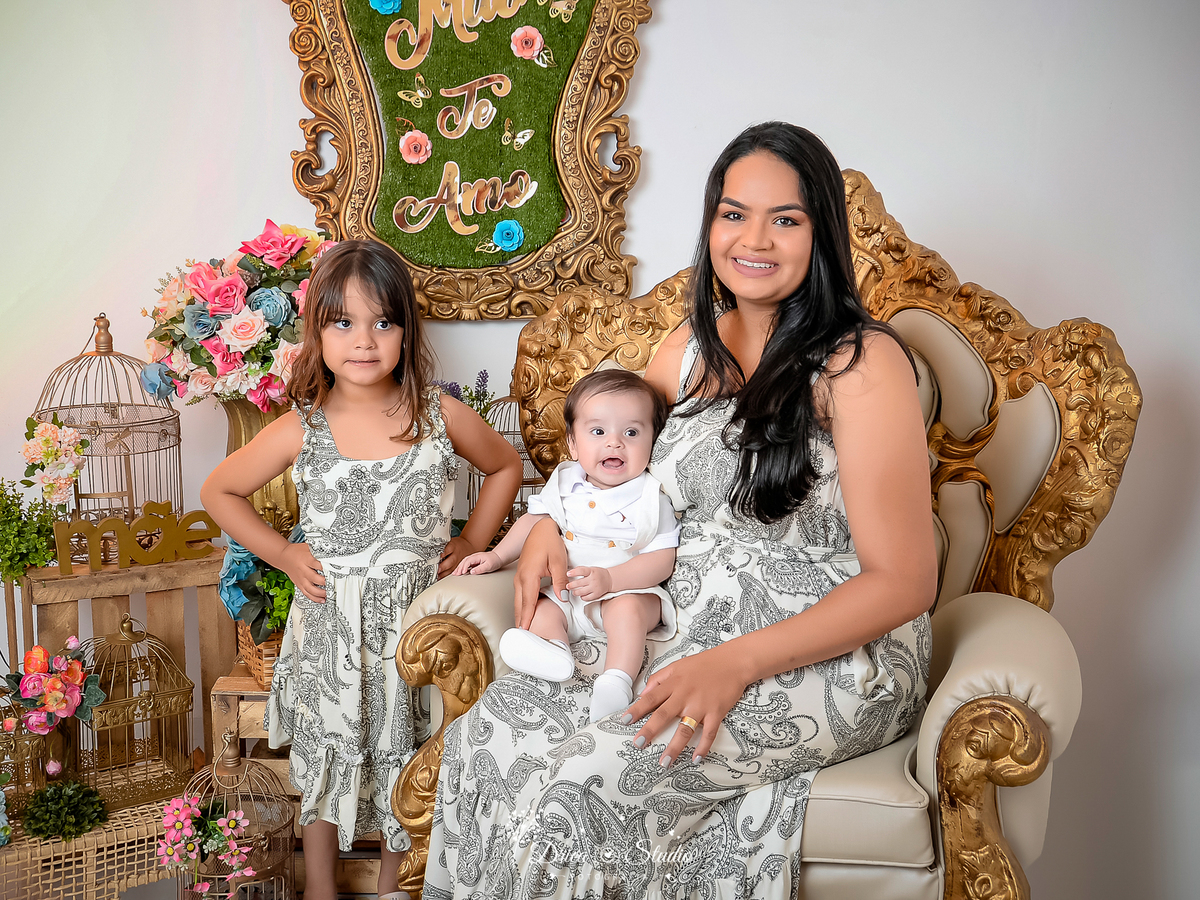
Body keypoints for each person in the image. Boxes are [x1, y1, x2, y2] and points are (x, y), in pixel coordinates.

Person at [423, 122, 937, 898]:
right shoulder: (687, 351)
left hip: (826, 652)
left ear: (821, 231)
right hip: (673, 628)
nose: (753, 238)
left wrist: (735, 663)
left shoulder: (860, 363)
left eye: (785, 219)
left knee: (577, 795)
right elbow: (606, 464)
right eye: (733, 214)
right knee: (481, 747)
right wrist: (545, 533)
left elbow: (904, 581)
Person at [201, 240, 521, 900]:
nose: (365, 340)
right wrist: (285, 553)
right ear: (318, 331)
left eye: (384, 322)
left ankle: (391, 891)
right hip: (331, 631)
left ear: (407, 329)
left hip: (412, 629)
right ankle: (320, 889)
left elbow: (505, 466)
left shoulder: (439, 414)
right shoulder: (304, 426)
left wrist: (477, 539)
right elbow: (219, 492)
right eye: (343, 322)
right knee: (324, 767)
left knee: (408, 766)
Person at [454, 368, 680, 722]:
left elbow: (662, 560)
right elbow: (531, 523)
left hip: (627, 590)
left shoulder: (649, 496)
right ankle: (553, 651)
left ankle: (616, 681)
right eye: (598, 431)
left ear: (654, 441)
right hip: (568, 593)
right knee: (544, 608)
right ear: (573, 444)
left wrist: (611, 581)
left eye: (632, 432)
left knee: (628, 611)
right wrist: (497, 556)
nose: (614, 442)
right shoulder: (564, 482)